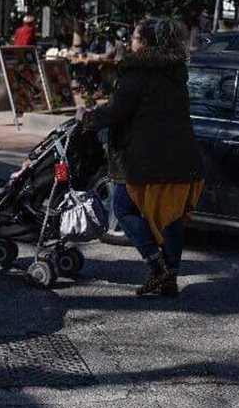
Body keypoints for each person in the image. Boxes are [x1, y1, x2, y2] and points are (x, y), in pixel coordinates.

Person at [79, 18, 204, 296]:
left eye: (134, 38)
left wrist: (88, 118)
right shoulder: (175, 72)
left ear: (146, 43)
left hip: (144, 160)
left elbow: (116, 112)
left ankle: (157, 266)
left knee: (123, 209)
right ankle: (168, 277)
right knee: (171, 217)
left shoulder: (137, 73)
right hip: (181, 157)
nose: (130, 43)